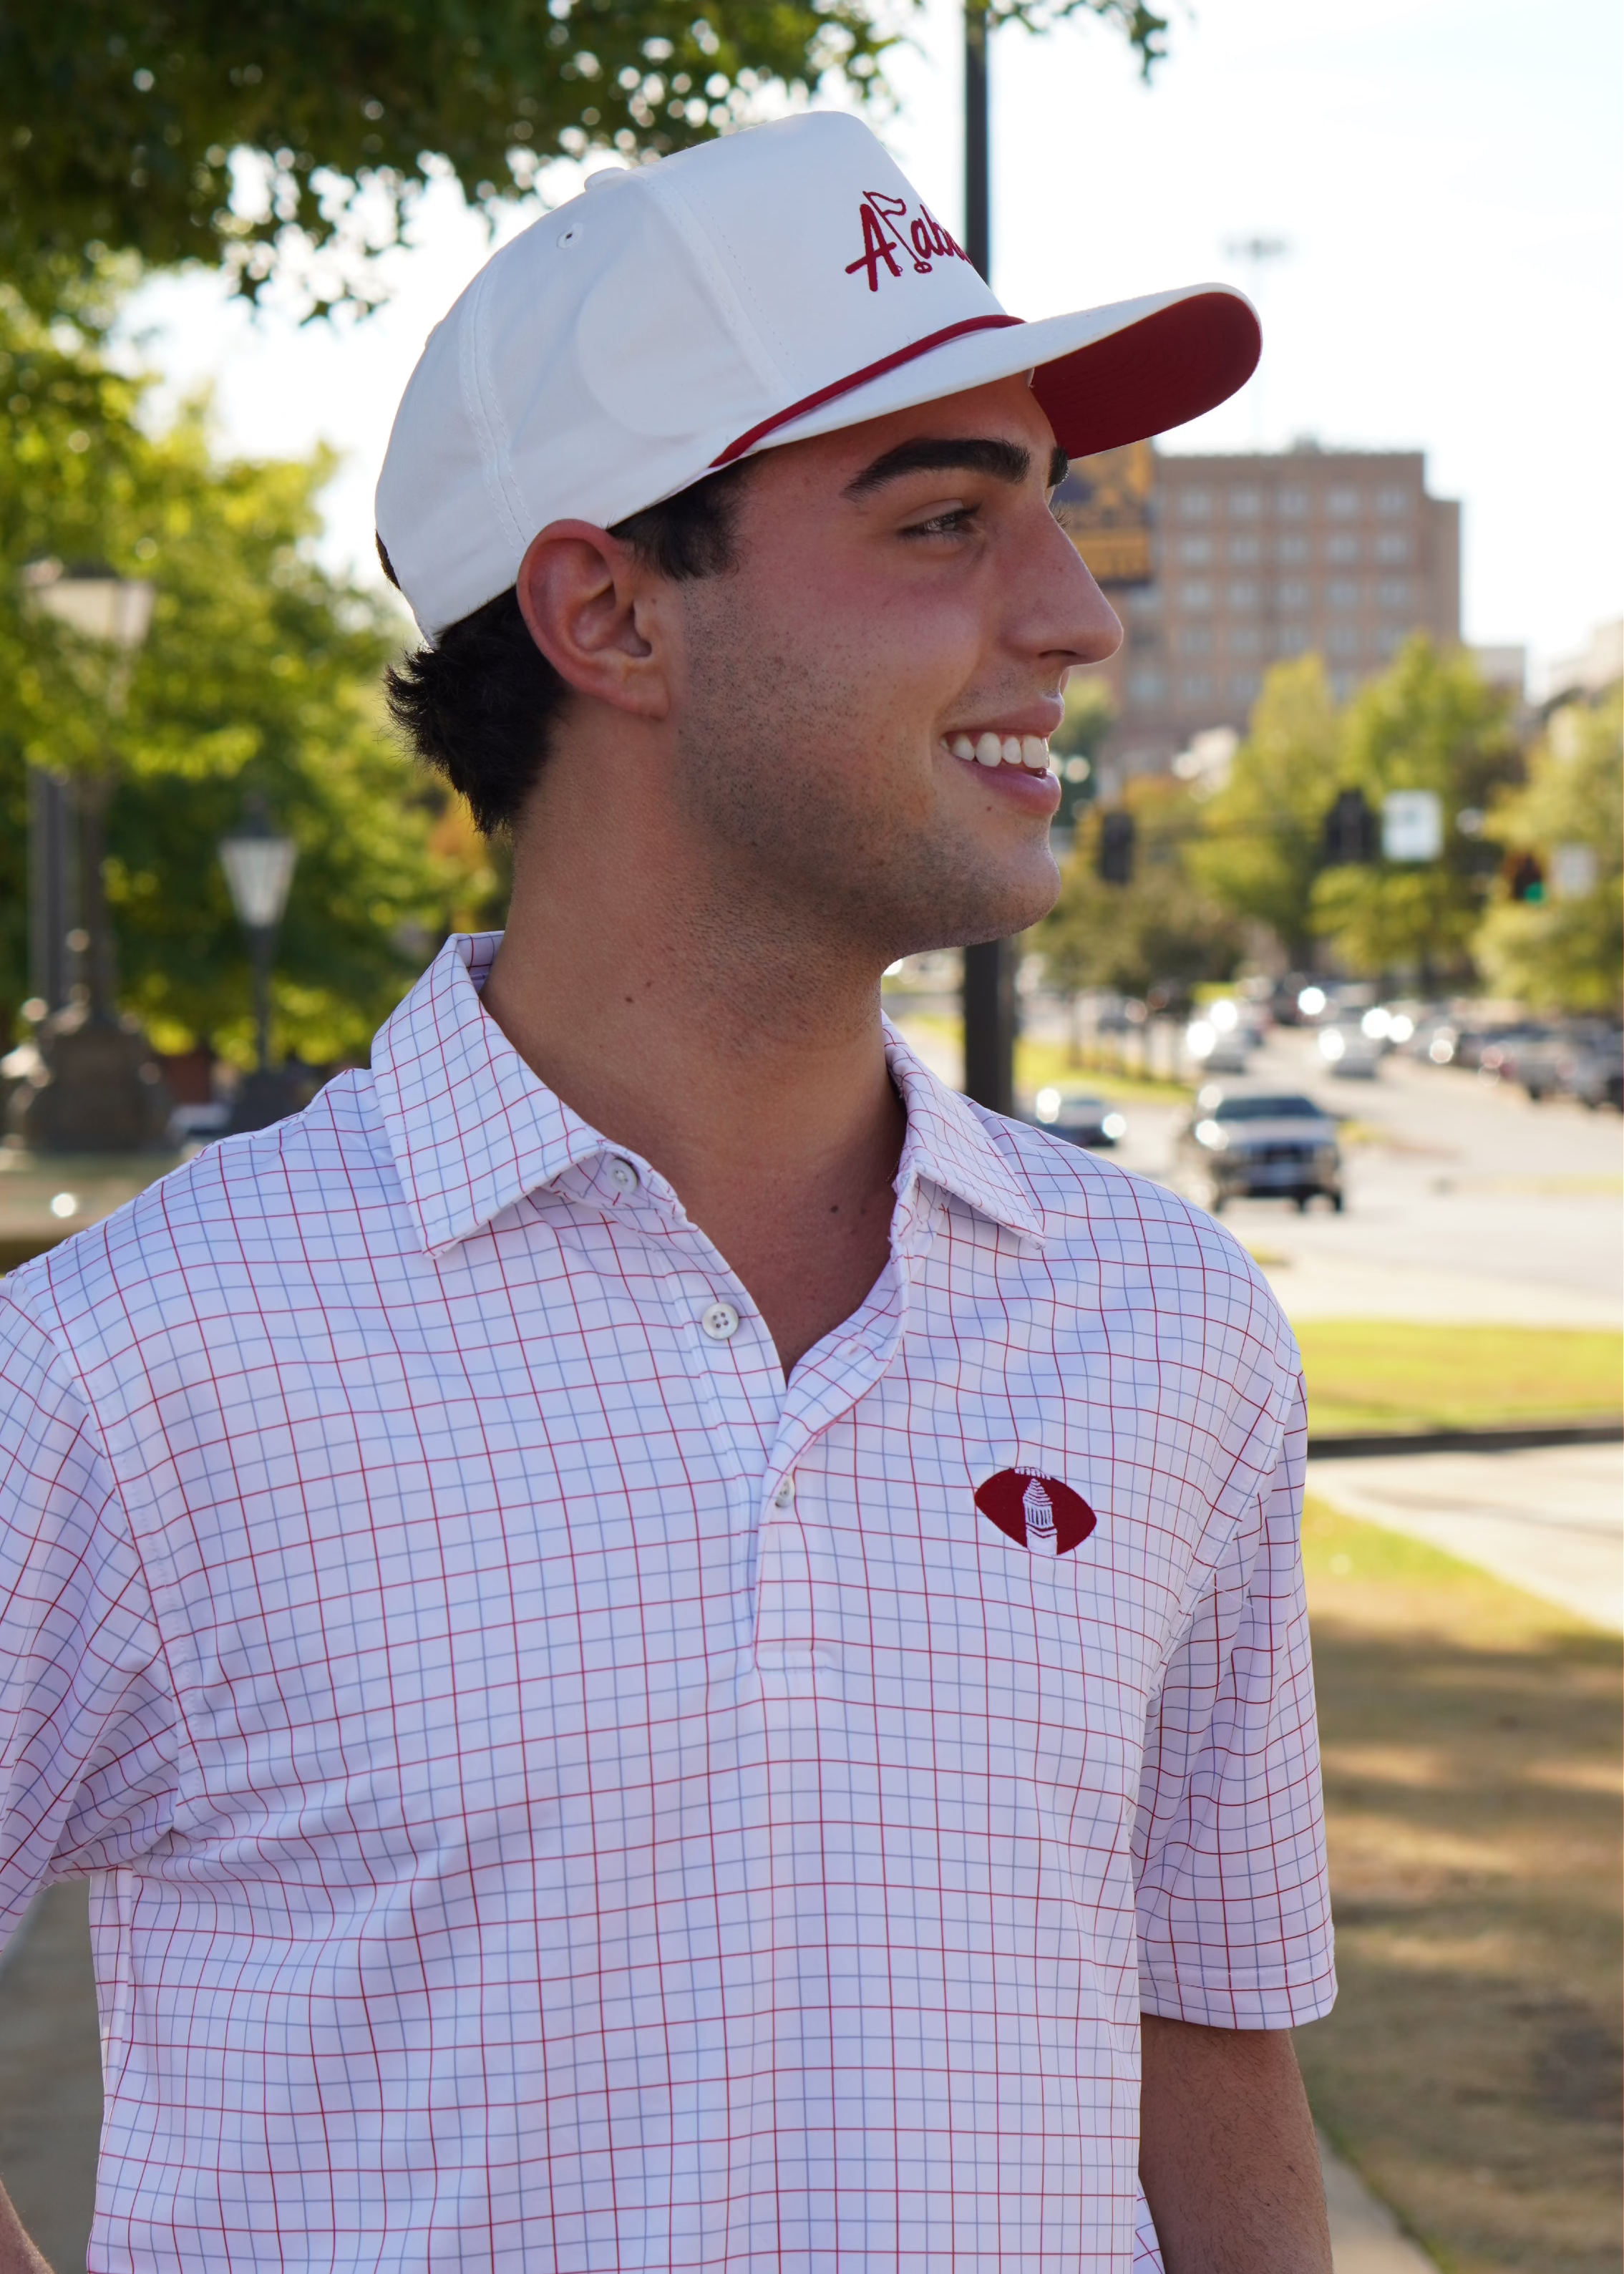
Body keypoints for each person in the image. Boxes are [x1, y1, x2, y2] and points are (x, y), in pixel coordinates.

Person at [0, 112, 1334, 2273]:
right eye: (941, 524)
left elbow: (1211, 2062)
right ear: (607, 609)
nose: (1075, 616)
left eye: (1055, 521)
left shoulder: (1168, 1329)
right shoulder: (135, 1366)